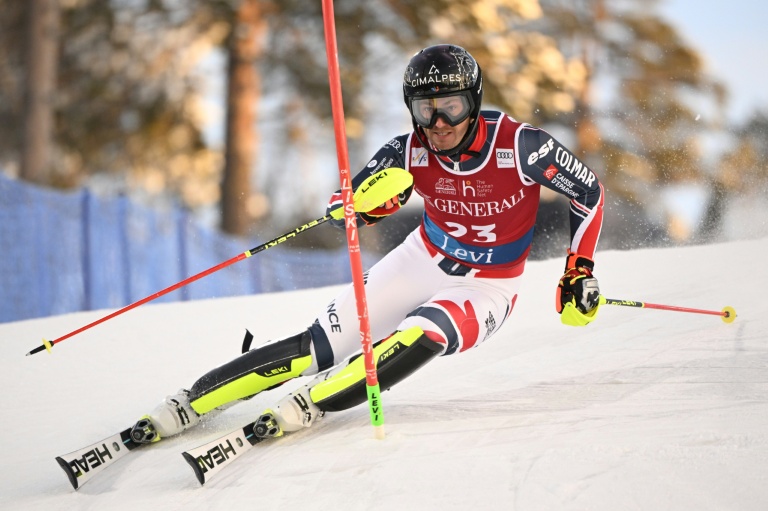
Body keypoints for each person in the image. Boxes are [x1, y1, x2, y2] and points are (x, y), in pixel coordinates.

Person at [131, 44, 605, 444]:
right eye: (425, 109)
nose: (438, 122)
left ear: (473, 102)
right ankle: (187, 404)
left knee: (425, 332)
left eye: (451, 107)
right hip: (421, 258)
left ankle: (312, 402)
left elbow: (587, 191)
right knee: (315, 347)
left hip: (488, 286)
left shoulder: (521, 146)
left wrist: (578, 268)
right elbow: (344, 206)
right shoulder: (407, 150)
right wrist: (364, 206)